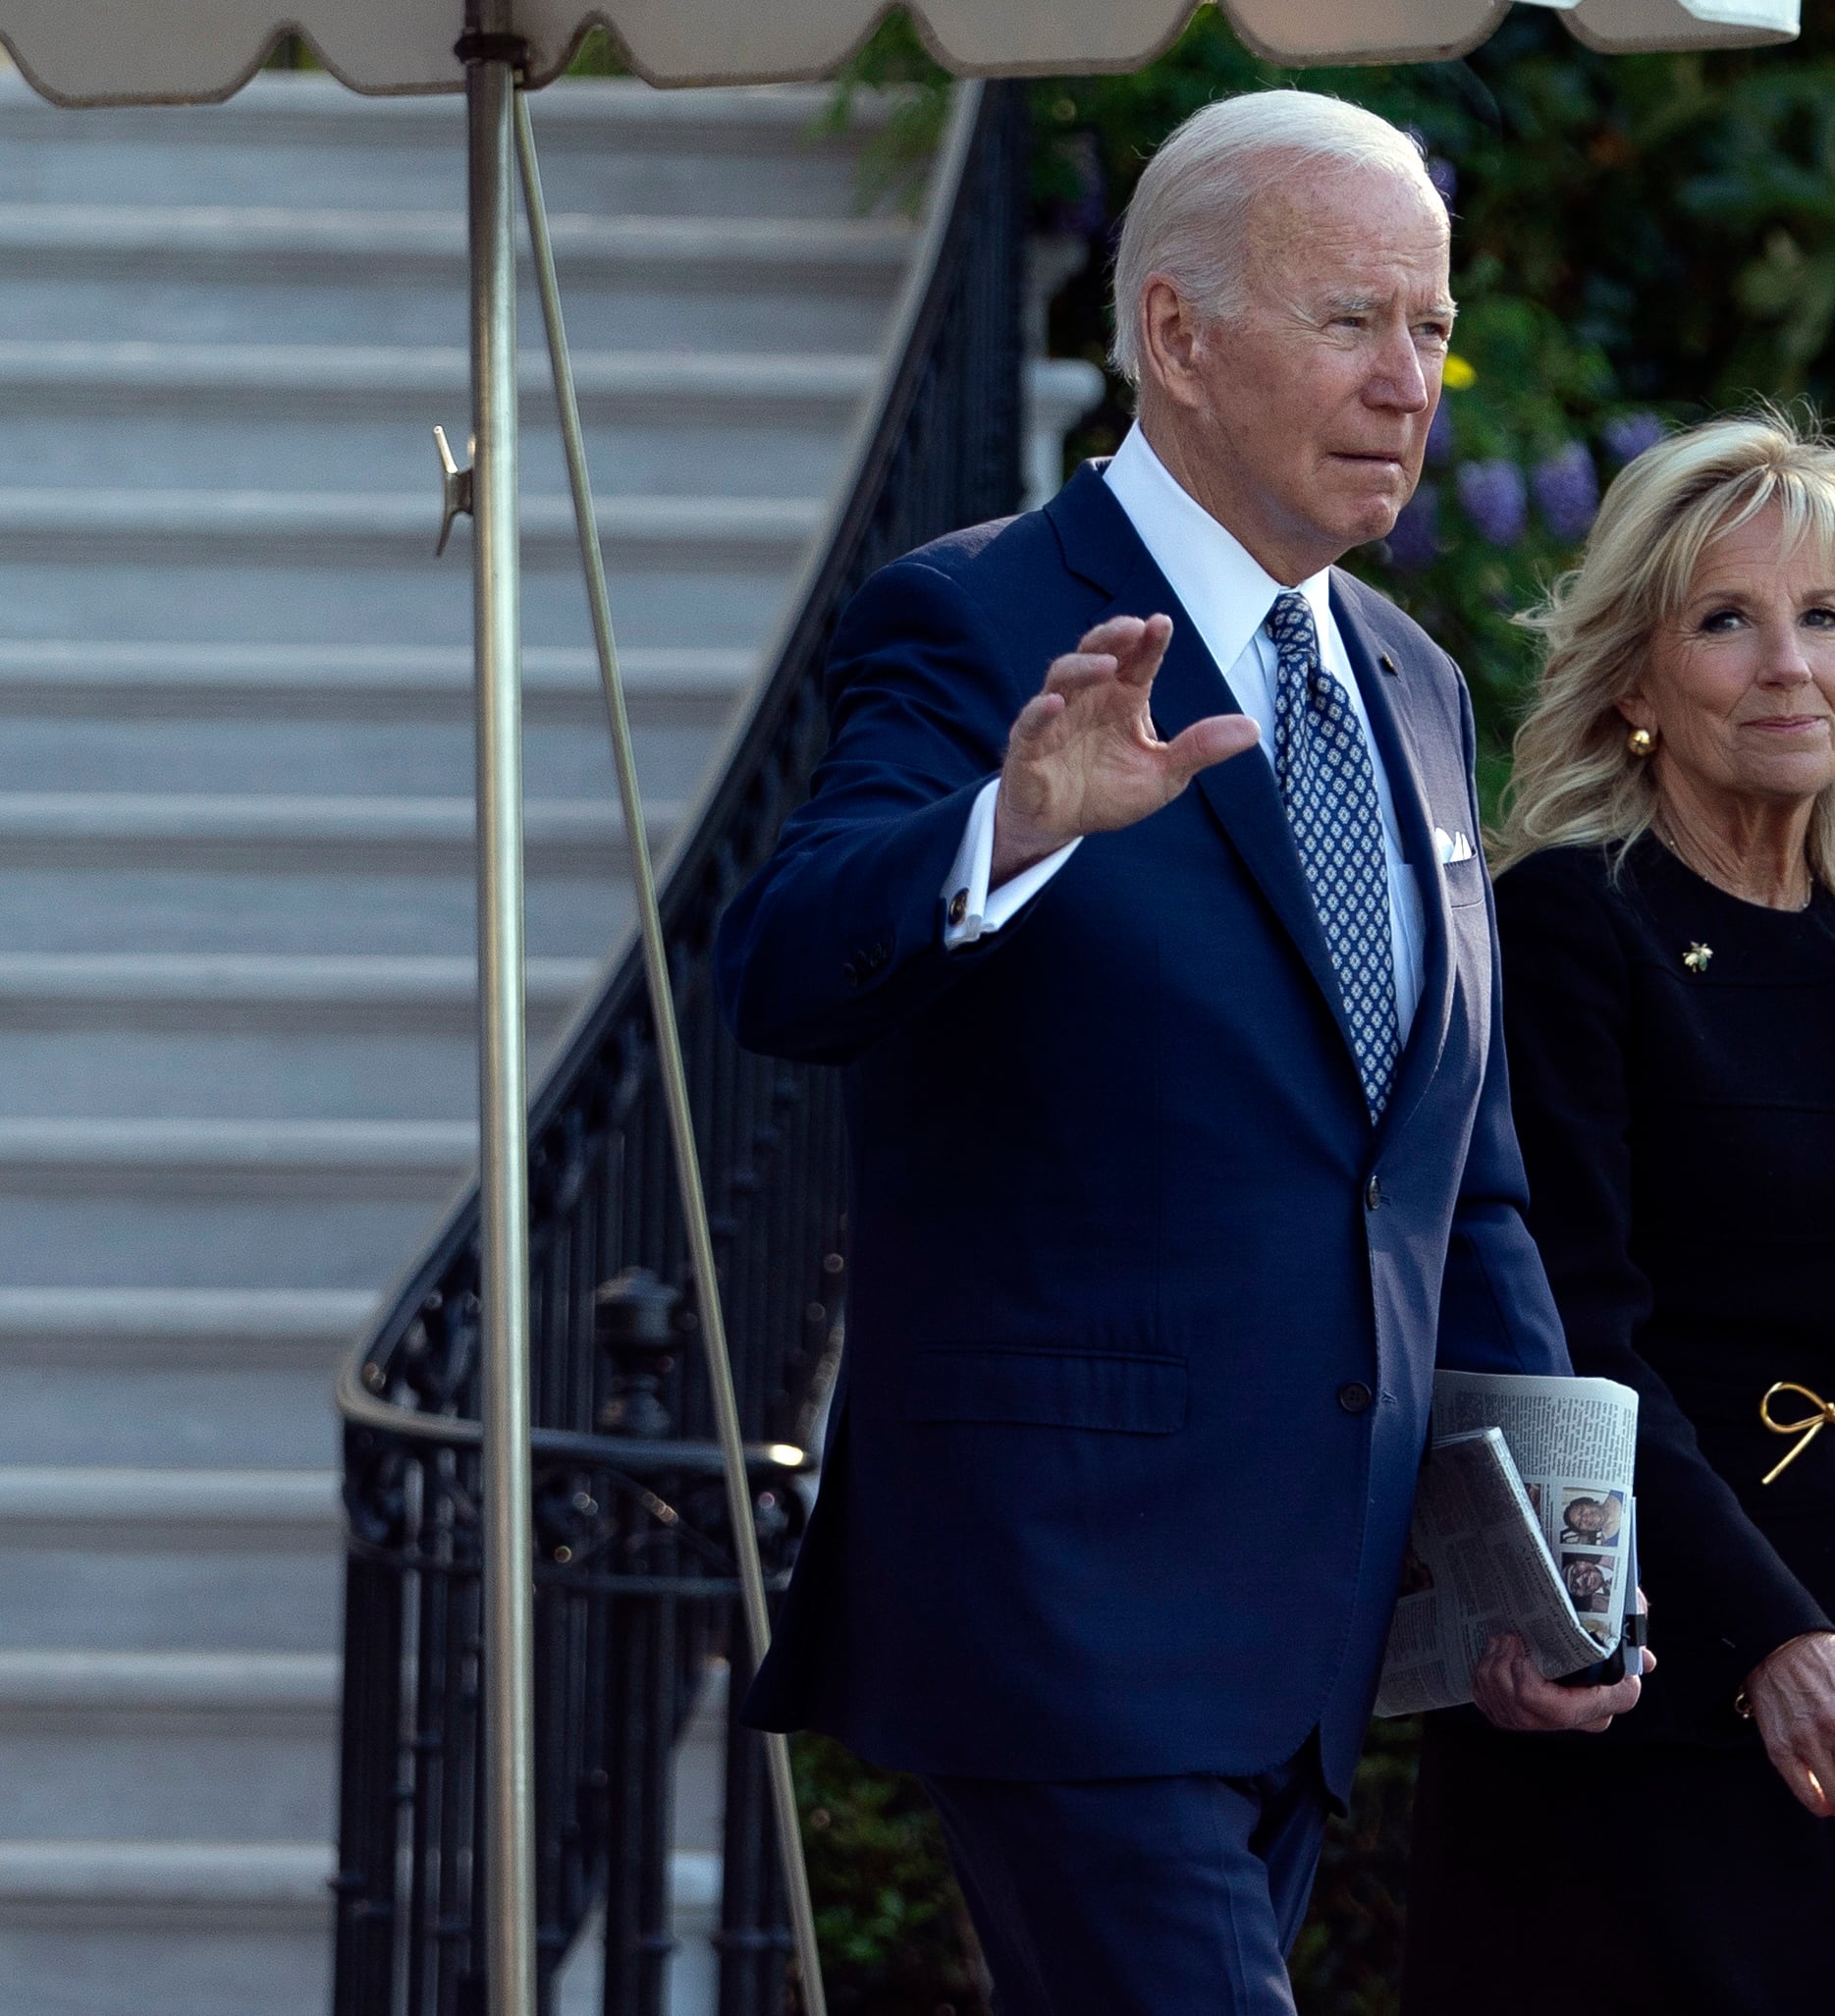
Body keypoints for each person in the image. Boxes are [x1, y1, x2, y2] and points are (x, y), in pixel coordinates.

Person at [713, 90, 1640, 2016]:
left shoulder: (1411, 680)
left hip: (1310, 1622)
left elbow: (1442, 1166)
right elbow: (785, 968)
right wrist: (1012, 827)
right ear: (1175, 334)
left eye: (1432, 330)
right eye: (1353, 321)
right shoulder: (974, 623)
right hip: (1064, 1602)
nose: (1411, 385)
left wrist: (1545, 1548)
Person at [1403, 414, 1835, 2015]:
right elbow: (1582, 1329)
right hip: (1646, 1673)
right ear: (1635, 681)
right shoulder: (1565, 926)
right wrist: (1761, 1634)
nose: (1788, 665)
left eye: (1824, 618)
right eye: (1725, 620)